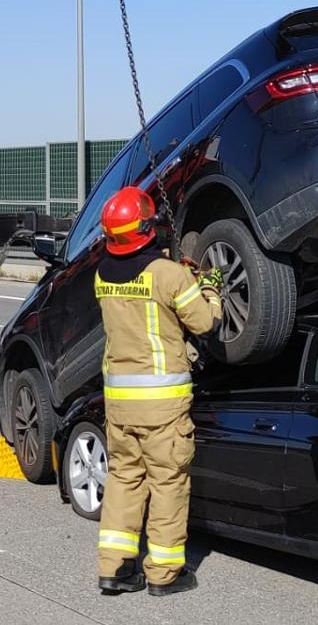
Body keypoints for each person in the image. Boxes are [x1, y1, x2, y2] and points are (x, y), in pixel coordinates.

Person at [92, 186, 222, 597]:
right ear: (148, 227)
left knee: (124, 480)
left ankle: (114, 569)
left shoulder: (102, 273)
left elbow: (138, 282)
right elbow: (203, 323)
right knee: (168, 482)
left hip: (120, 403)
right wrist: (210, 289)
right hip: (162, 403)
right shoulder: (169, 274)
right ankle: (164, 575)